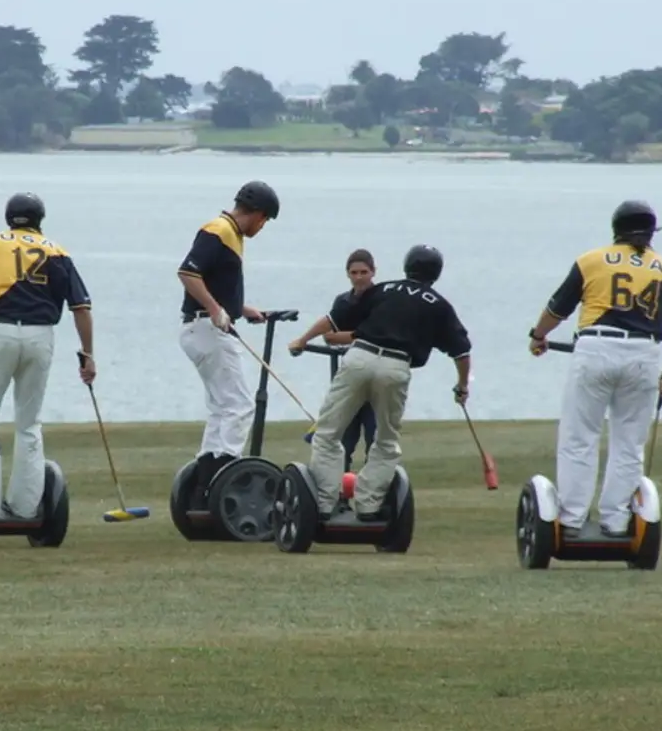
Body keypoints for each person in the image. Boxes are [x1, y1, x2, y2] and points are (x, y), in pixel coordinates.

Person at [527, 199, 662, 538]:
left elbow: (557, 309)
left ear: (616, 229)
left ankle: (571, 519)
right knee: (629, 443)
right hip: (644, 354)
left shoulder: (591, 261)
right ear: (650, 233)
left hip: (595, 348)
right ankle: (616, 521)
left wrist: (539, 336)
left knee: (579, 437)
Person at [0, 192, 95, 519]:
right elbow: (81, 308)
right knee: (29, 424)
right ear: (40, 219)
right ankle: (25, 508)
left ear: (9, 217)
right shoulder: (58, 251)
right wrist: (88, 354)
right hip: (41, 337)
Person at [305, 244, 472, 521]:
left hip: (359, 357)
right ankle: (368, 505)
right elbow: (462, 353)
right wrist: (462, 385)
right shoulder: (440, 306)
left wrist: (302, 340)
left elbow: (334, 320)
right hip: (396, 367)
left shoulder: (383, 289)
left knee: (328, 433)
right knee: (385, 441)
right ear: (437, 273)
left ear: (407, 266)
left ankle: (324, 502)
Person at [176, 180, 279, 503]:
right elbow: (188, 273)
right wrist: (215, 309)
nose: (262, 227)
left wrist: (242, 309)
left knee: (221, 407)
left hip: (202, 327)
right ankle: (227, 479)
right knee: (240, 406)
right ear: (257, 213)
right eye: (265, 221)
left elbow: (213, 282)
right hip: (209, 328)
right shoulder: (219, 230)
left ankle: (204, 486)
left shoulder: (230, 234)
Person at [288, 248, 378, 473]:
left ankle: (376, 488)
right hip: (350, 376)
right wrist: (303, 340)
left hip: (377, 378)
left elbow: (377, 335)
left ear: (373, 272)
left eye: (364, 272)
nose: (359, 277)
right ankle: (338, 485)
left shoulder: (381, 299)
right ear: (347, 274)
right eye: (354, 272)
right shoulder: (344, 301)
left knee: (375, 439)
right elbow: (329, 331)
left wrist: (354, 336)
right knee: (343, 439)